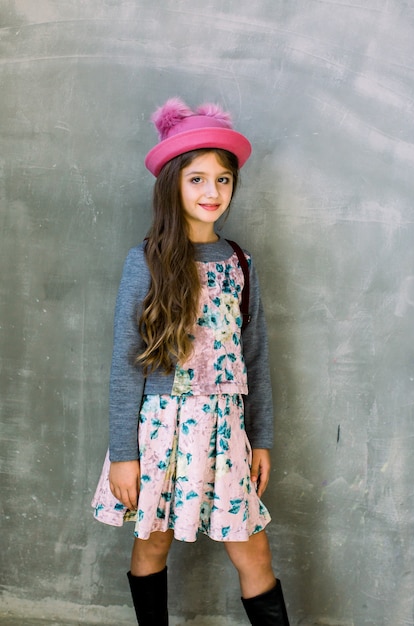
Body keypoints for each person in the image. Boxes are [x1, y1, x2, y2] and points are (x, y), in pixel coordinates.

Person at [92, 98, 290, 625]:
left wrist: (261, 436)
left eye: (223, 181)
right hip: (160, 434)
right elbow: (124, 364)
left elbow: (256, 356)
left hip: (227, 433)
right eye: (198, 179)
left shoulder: (240, 263)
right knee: (153, 546)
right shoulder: (147, 261)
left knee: (254, 551)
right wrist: (122, 454)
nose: (212, 192)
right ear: (173, 184)